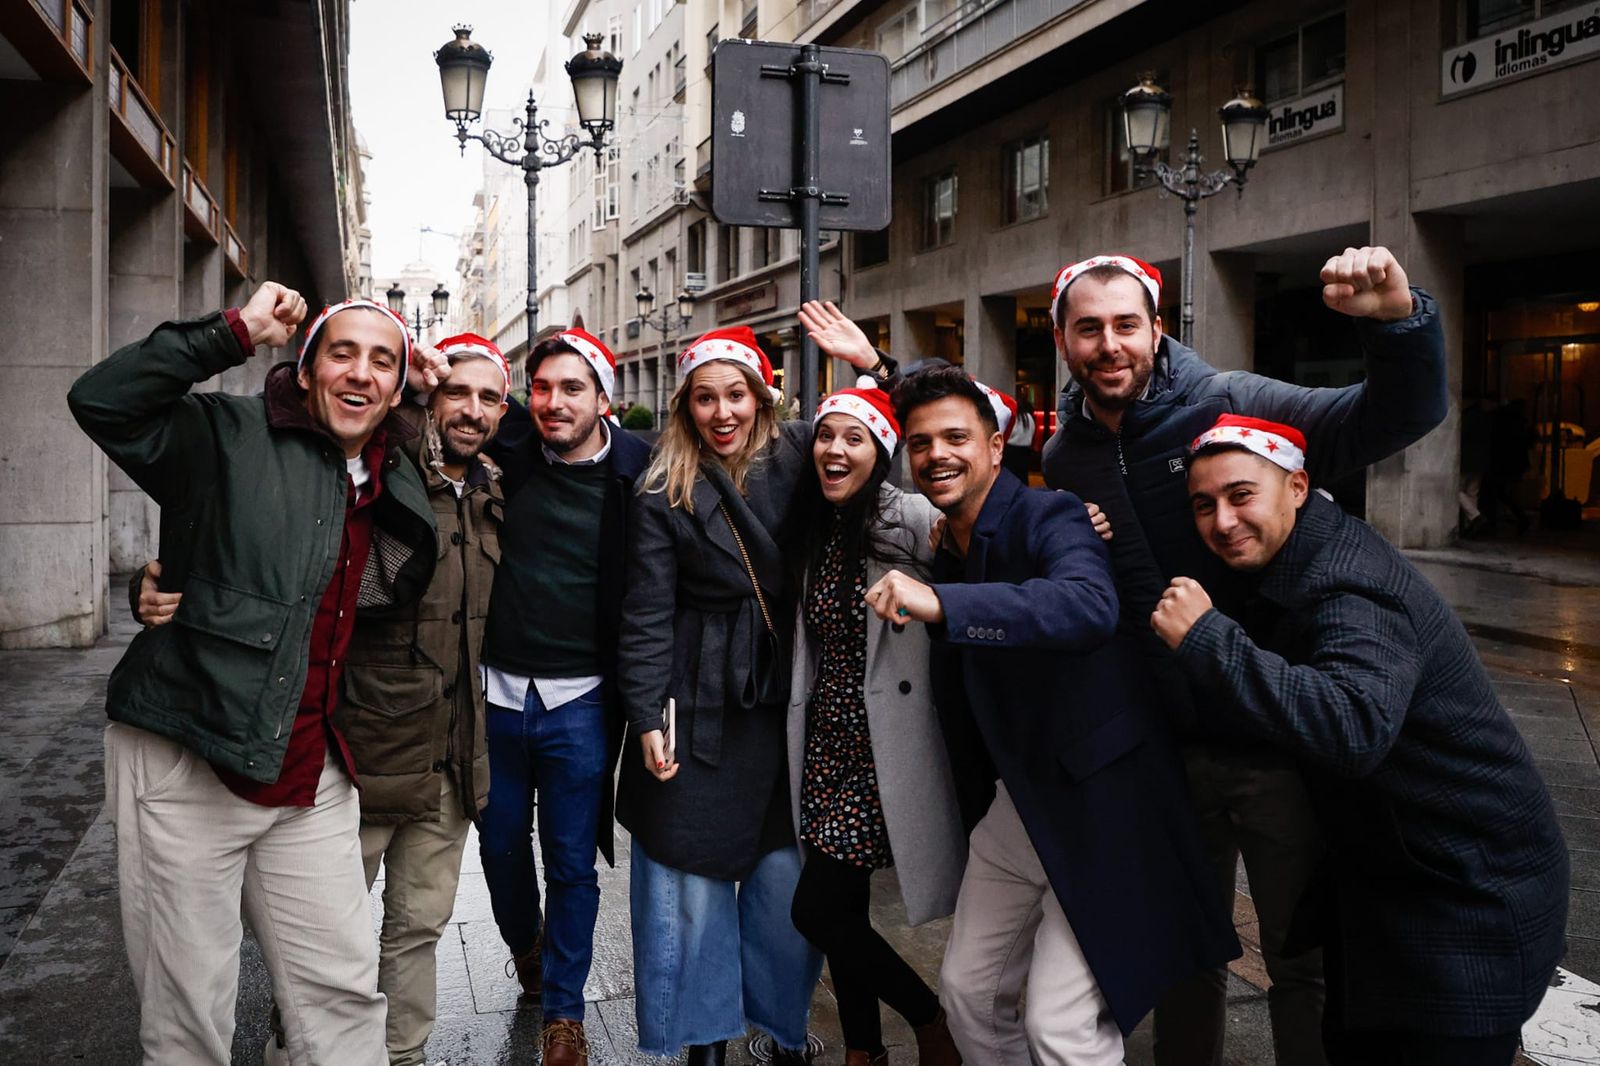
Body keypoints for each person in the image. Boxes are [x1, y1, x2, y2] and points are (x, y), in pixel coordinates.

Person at [1040, 248, 1446, 1066]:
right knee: (1184, 954)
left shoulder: (1229, 400)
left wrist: (1400, 323)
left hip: (1274, 744)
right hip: (1166, 749)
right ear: (1062, 340)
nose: (1110, 344)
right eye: (1089, 329)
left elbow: (1386, 418)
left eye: (1127, 324)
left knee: (1302, 963)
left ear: (1158, 328)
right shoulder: (1064, 457)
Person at [68, 286, 438, 1064]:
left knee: (343, 1000)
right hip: (188, 758)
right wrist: (234, 331)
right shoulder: (226, 433)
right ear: (305, 370)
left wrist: (433, 394)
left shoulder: (392, 465)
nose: (361, 372)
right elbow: (102, 400)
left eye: (382, 360)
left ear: (400, 385)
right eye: (341, 352)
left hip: (308, 773)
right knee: (189, 1019)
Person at [131, 331, 511, 1066]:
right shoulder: (381, 474)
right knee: (307, 962)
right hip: (357, 753)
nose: (472, 409)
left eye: (490, 397)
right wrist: (159, 584)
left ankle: (398, 1057)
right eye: (454, 392)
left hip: (450, 756)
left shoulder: (497, 488)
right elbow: (263, 557)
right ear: (422, 397)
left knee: (411, 933)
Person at [1151, 413, 1568, 1065]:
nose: (1222, 521)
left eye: (1240, 495)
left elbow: (1353, 726)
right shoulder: (1299, 552)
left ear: (1296, 486)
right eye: (1204, 505)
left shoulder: (1349, 583)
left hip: (1467, 903)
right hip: (1393, 894)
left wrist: (1208, 638)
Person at [863, 365, 1238, 1066]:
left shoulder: (1052, 513)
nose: (936, 454)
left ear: (995, 447)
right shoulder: (942, 541)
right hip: (1017, 804)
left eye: (954, 437)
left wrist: (945, 605)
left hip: (1101, 799)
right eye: (919, 443)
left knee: (1060, 1025)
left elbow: (1087, 606)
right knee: (969, 996)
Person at [617, 324, 886, 1065]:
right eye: (706, 397)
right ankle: (704, 1035)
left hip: (789, 700)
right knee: (690, 882)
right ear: (686, 406)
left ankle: (782, 1025)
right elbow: (645, 609)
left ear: (762, 398)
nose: (722, 411)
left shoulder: (803, 452)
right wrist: (644, 714)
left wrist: (874, 366)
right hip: (694, 701)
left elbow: (900, 436)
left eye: (736, 394)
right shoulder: (661, 484)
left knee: (781, 883)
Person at [475, 328, 652, 1066]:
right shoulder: (508, 451)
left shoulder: (640, 472)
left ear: (604, 400)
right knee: (498, 842)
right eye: (542, 387)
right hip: (497, 694)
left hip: (582, 699)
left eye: (572, 388)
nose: (554, 402)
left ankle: (565, 1012)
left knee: (573, 861)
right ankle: (528, 946)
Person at [784, 378, 967, 1066]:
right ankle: (864, 1049)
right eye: (826, 436)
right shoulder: (814, 522)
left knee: (816, 910)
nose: (834, 449)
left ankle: (929, 1018)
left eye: (854, 438)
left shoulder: (916, 517)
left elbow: (989, 540)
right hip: (824, 740)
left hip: (881, 746)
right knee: (845, 910)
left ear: (881, 450)